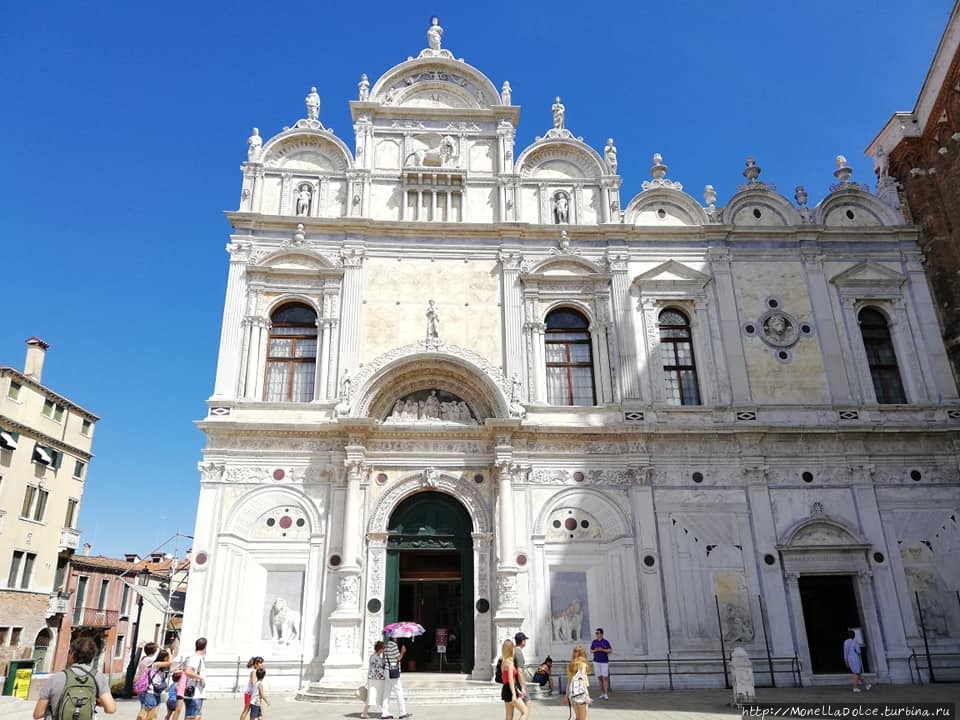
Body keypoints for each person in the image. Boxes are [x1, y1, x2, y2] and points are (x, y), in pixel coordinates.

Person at [33, 636, 117, 719]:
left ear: (72, 654)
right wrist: (95, 702)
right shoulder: (99, 677)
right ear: (92, 657)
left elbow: (38, 714)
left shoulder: (55, 678)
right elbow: (111, 709)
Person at [381, 634, 411, 720]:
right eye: (396, 636)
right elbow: (398, 658)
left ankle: (384, 713)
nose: (397, 638)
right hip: (393, 671)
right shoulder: (393, 646)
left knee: (386, 692)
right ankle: (402, 712)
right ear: (393, 637)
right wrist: (402, 651)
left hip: (387, 670)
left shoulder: (386, 645)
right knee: (399, 691)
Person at [500, 639, 528, 720]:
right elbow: (510, 679)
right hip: (510, 689)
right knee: (525, 711)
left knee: (509, 717)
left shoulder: (503, 662)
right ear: (511, 649)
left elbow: (504, 679)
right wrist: (514, 694)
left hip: (505, 689)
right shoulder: (510, 662)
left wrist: (517, 691)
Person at [182, 637, 208, 720]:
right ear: (204, 647)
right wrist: (200, 677)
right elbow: (188, 671)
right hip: (194, 694)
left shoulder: (197, 658)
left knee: (196, 716)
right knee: (192, 717)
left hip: (197, 694)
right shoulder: (195, 658)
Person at [135, 642, 161, 720]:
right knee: (145, 712)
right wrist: (160, 648)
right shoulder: (150, 660)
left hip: (143, 688)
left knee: (146, 711)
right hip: (147, 688)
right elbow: (161, 659)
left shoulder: (144, 659)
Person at [566, 646, 591, 720]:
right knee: (583, 718)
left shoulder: (570, 665)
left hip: (573, 693)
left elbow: (569, 680)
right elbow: (582, 680)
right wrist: (587, 695)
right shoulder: (582, 665)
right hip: (581, 693)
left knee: (577, 717)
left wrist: (566, 694)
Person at [362, 641, 385, 718]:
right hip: (376, 679)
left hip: (376, 679)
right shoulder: (376, 658)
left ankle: (385, 712)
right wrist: (385, 675)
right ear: (380, 649)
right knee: (373, 695)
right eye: (383, 648)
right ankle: (364, 713)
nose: (383, 650)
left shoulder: (375, 656)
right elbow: (378, 669)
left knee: (379, 695)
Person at [590, 628, 612, 699]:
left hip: (604, 662)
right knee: (599, 678)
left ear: (601, 634)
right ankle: (602, 692)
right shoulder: (594, 641)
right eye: (596, 633)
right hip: (596, 661)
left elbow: (610, 650)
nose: (597, 634)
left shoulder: (605, 642)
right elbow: (591, 650)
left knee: (605, 677)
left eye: (598, 633)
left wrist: (602, 650)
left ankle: (606, 693)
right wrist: (595, 650)